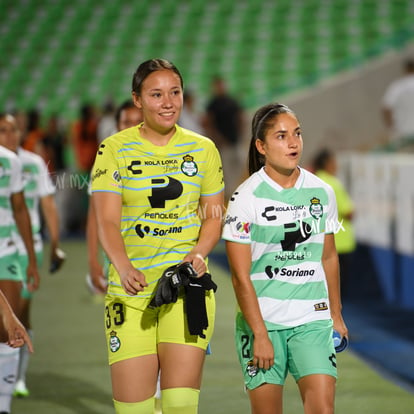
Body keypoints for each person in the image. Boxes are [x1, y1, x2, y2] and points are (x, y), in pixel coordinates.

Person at [91, 58, 224, 414]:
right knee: (134, 410)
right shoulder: (113, 149)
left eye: (175, 92)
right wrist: (122, 266)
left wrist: (198, 255)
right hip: (130, 294)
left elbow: (214, 215)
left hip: (185, 290)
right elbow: (105, 220)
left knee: (180, 406)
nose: (168, 102)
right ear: (137, 100)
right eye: (156, 94)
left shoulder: (203, 149)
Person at [222, 103, 348, 414]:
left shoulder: (322, 191)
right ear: (261, 146)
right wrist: (260, 334)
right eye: (281, 136)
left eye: (297, 134)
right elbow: (240, 277)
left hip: (312, 319)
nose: (293, 143)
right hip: (263, 324)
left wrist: (335, 313)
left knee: (322, 408)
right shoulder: (244, 198)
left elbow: (328, 257)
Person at [1, 114, 65, 398]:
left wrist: (55, 243)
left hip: (27, 249)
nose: (9, 136)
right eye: (3, 130)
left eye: (14, 130)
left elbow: (47, 204)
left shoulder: (32, 163)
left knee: (20, 312)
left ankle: (17, 378)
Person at [0, 113, 40, 414]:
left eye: (11, 130)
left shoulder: (10, 162)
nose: (8, 135)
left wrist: (31, 260)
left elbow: (20, 209)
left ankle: (4, 404)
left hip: (8, 250)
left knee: (8, 326)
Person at [86, 100, 143, 296]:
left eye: (138, 121)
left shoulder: (166, 156)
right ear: (117, 126)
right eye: (127, 122)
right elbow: (95, 216)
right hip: (117, 254)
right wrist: (93, 261)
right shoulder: (106, 160)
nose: (132, 127)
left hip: (155, 252)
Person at [313, 148, 356, 299]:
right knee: (338, 282)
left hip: (317, 240)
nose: (336, 165)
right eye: (334, 162)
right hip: (339, 241)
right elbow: (349, 212)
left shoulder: (313, 181)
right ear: (328, 164)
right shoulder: (334, 184)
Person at [202, 76, 245, 200]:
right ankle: (229, 193)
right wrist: (216, 137)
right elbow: (208, 122)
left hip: (235, 139)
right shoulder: (213, 104)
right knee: (225, 169)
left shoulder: (231, 101)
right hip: (222, 142)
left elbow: (240, 117)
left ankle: (239, 187)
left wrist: (241, 133)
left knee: (241, 163)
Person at [382, 57, 414, 145]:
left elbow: (386, 108)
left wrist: (392, 129)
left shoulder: (397, 87)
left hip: (404, 134)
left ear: (405, 70)